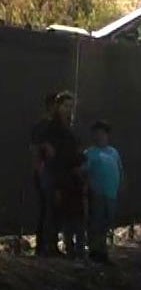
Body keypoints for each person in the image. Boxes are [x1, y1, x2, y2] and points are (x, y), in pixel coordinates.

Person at [43, 92, 86, 258]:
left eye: (71, 106)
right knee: (54, 211)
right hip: (57, 175)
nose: (68, 109)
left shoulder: (71, 128)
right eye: (65, 106)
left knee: (71, 213)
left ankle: (70, 248)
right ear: (58, 106)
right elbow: (52, 155)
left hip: (71, 176)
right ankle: (50, 248)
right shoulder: (52, 128)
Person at [84, 120, 123, 263]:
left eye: (103, 133)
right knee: (96, 223)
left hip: (111, 193)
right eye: (97, 134)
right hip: (97, 194)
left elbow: (119, 170)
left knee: (106, 223)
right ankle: (94, 251)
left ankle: (103, 250)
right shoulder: (90, 153)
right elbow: (85, 173)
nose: (100, 136)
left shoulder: (113, 152)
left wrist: (120, 185)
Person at [30, 92, 61, 257]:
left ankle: (51, 245)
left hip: (56, 172)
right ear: (51, 105)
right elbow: (35, 149)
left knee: (54, 209)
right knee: (46, 208)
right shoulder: (43, 125)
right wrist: (40, 170)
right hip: (45, 173)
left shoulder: (58, 126)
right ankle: (42, 247)